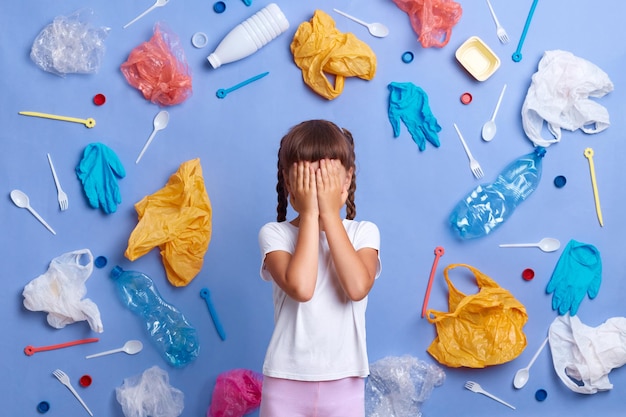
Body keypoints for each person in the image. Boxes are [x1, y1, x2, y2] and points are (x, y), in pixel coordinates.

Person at [258, 120, 381, 417]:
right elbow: (301, 287)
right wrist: (312, 213)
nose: (316, 187)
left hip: (345, 380)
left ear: (347, 179)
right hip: (286, 379)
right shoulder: (274, 234)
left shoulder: (364, 232)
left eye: (325, 178)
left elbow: (357, 287)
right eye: (307, 178)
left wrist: (328, 212)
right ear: (290, 183)